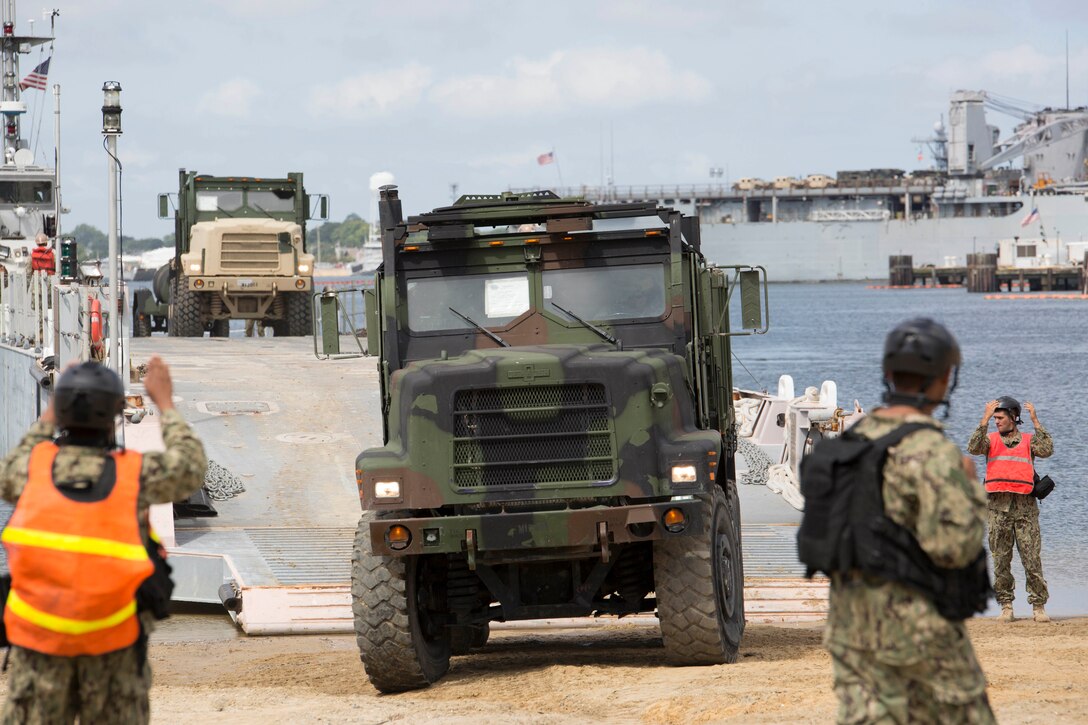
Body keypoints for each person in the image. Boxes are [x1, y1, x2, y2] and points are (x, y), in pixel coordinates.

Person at [0, 357, 207, 724]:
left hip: (38, 650)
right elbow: (190, 468)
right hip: (114, 651)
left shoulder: (29, 470)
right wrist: (166, 403)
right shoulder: (137, 475)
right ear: (115, 414)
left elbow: (12, 465)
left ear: (61, 412)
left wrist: (52, 410)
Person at [814, 318, 994, 723]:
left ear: (888, 373)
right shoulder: (931, 451)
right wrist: (970, 489)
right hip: (918, 631)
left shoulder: (849, 445)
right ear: (944, 379)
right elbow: (953, 549)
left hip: (850, 629)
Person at [967, 396, 1053, 623]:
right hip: (997, 510)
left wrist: (1035, 421)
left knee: (1032, 559)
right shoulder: (990, 440)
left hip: (1026, 510)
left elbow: (1047, 449)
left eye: (1000, 418)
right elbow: (973, 448)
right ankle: (1006, 606)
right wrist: (984, 419)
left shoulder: (1028, 441)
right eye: (995, 418)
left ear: (1014, 418)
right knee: (1001, 560)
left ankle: (1039, 606)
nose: (997, 422)